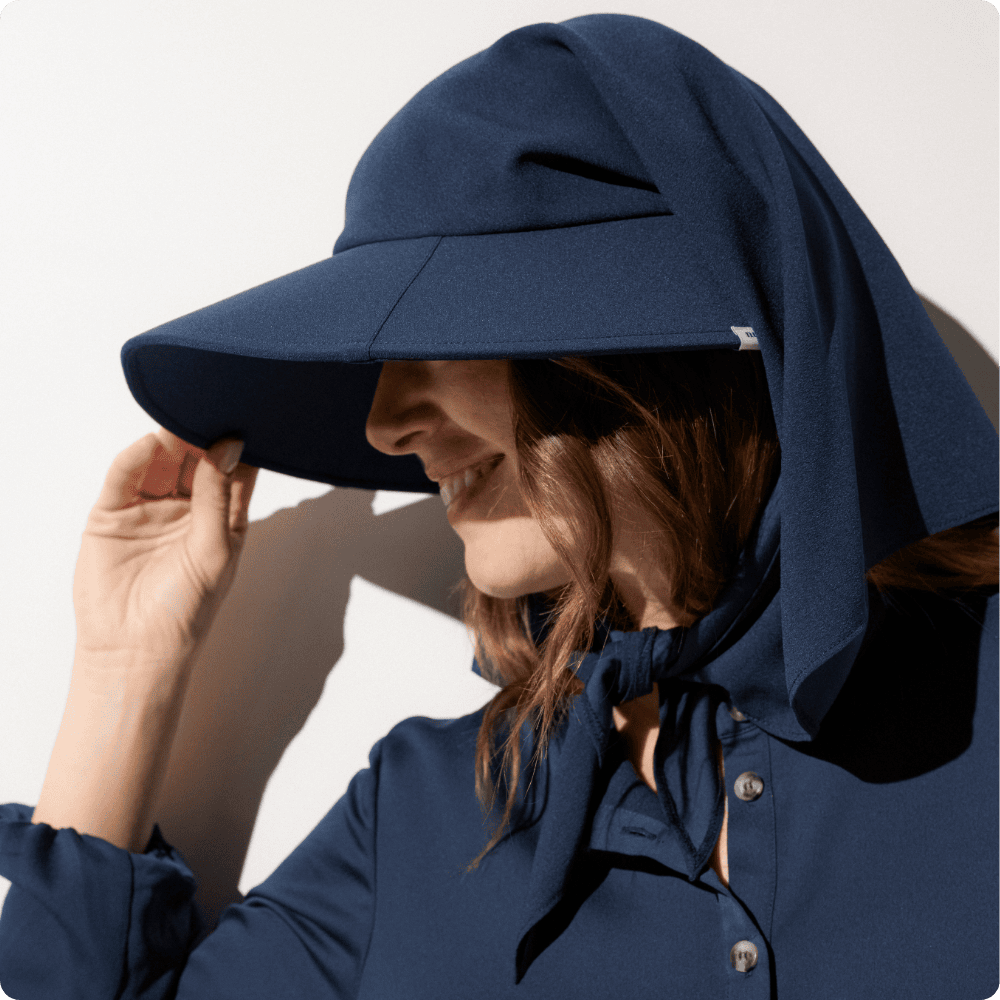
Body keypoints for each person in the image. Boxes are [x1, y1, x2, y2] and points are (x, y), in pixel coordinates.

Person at [1, 13, 997, 999]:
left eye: (435, 336)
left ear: (630, 347)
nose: (383, 423)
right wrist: (124, 664)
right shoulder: (429, 817)